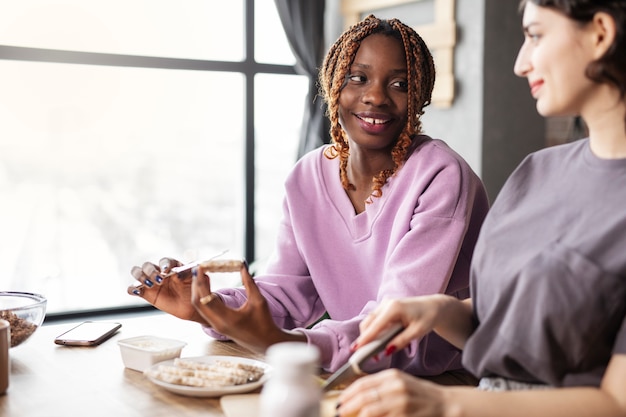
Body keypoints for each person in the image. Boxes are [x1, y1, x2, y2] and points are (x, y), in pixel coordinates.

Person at [127, 15, 489, 380]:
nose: (376, 96)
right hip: (352, 369)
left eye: (399, 84)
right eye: (358, 78)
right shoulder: (306, 178)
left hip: (447, 382)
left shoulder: (441, 176)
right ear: (334, 85)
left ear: (419, 96)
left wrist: (286, 343)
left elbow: (397, 325)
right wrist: (206, 306)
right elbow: (285, 295)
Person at [336, 1, 626, 416]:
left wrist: (445, 402)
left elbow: (617, 403)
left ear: (600, 33)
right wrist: (437, 310)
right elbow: (511, 325)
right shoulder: (538, 172)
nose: (521, 63)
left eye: (536, 35)